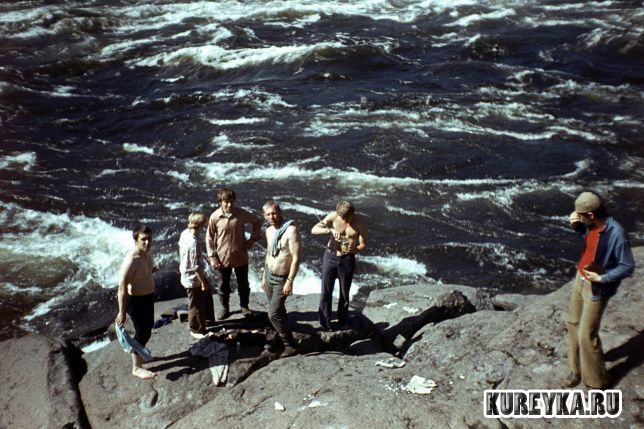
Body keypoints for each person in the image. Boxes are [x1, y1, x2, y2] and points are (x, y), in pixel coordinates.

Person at [563, 191, 634, 389]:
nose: (578, 217)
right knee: (573, 323)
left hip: (596, 287)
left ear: (591, 215)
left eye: (580, 216)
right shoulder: (593, 224)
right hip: (580, 278)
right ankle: (576, 369)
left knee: (587, 335)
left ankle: (597, 382)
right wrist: (577, 226)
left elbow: (627, 266)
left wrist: (602, 278)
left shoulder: (617, 233)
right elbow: (590, 239)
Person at [311, 201, 368, 331]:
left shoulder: (360, 223)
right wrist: (329, 230)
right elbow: (314, 230)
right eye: (342, 217)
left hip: (347, 259)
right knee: (326, 292)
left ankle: (343, 322)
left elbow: (363, 244)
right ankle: (325, 323)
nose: (345, 220)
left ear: (352, 214)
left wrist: (356, 249)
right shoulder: (333, 216)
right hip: (330, 256)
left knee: (344, 294)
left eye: (347, 217)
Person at [206, 188, 261, 320]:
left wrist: (252, 240)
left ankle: (244, 306)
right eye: (226, 202)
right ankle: (225, 308)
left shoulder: (241, 214)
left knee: (243, 284)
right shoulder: (215, 217)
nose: (229, 205)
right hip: (222, 257)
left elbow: (257, 221)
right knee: (223, 285)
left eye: (232, 201)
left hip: (240, 255)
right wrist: (212, 257)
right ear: (220, 202)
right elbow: (209, 238)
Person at [115, 225, 157, 379]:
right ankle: (136, 367)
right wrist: (122, 312)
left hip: (148, 297)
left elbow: (149, 269)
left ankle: (140, 354)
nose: (147, 242)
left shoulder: (147, 253)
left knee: (148, 328)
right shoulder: (131, 260)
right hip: (136, 301)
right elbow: (122, 288)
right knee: (142, 332)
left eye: (149, 239)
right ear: (136, 240)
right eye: (143, 239)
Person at [261, 200, 301, 357]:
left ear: (280, 212)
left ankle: (290, 345)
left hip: (282, 279)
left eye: (274, 213)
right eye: (268, 214)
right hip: (269, 275)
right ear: (264, 216)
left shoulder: (291, 231)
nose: (272, 217)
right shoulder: (269, 231)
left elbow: (296, 258)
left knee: (273, 314)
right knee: (279, 310)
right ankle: (280, 335)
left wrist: (290, 281)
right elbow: (269, 254)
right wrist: (263, 276)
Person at [179, 212, 215, 338]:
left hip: (185, 273)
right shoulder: (193, 243)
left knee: (199, 299)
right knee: (196, 304)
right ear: (199, 225)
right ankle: (196, 329)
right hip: (193, 278)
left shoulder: (184, 233)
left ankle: (206, 320)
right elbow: (196, 267)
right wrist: (203, 283)